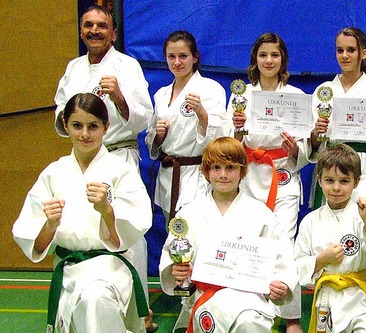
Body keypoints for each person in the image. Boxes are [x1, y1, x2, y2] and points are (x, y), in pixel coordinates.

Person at [52, 5, 156, 330]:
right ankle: (79, 303)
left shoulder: (128, 66)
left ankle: (138, 314)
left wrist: (120, 97)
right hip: (81, 159)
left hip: (118, 157)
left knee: (126, 231)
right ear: (82, 31)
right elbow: (59, 113)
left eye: (101, 26)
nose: (94, 30)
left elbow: (145, 117)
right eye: (88, 25)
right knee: (81, 227)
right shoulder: (73, 67)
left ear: (113, 33)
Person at [12, 93, 152, 333]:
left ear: (106, 127)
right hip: (69, 270)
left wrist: (107, 210)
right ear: (65, 125)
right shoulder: (53, 173)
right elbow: (34, 244)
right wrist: (49, 225)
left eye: (93, 126)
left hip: (110, 269)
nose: (85, 134)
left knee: (94, 299)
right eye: (77, 126)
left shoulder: (122, 171)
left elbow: (129, 233)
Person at [308, 27, 366, 330]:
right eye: (340, 50)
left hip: (362, 168)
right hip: (330, 167)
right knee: (330, 231)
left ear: (363, 53)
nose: (345, 56)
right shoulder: (324, 92)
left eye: (351, 50)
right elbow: (311, 144)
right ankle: (330, 297)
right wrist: (315, 133)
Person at [158, 137, 297, 333]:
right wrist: (176, 270)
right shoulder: (189, 213)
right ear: (206, 171)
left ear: (243, 170)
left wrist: (281, 282)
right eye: (216, 168)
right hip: (205, 296)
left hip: (248, 298)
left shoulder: (261, 214)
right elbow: (173, 253)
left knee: (249, 321)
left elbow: (282, 255)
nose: (223, 175)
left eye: (230, 168)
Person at [229, 32, 308, 333]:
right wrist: (237, 131)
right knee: (250, 241)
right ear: (255, 59)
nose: (269, 60)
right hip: (249, 175)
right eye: (263, 55)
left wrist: (294, 149)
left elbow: (305, 151)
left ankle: (290, 316)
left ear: (282, 59)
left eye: (274, 55)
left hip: (282, 175)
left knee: (284, 243)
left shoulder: (298, 98)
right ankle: (253, 308)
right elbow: (230, 142)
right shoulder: (241, 97)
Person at [295, 144, 366, 333]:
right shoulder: (310, 221)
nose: (336, 188)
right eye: (329, 180)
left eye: (344, 181)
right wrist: (321, 260)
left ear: (356, 182)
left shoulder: (364, 216)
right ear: (319, 180)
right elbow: (298, 265)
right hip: (326, 300)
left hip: (359, 298)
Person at [146, 30, 229, 221]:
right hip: (169, 174)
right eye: (171, 56)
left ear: (195, 57)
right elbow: (152, 141)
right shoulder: (161, 94)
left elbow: (221, 136)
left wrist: (201, 113)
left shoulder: (210, 89)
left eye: (183, 56)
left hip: (196, 174)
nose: (177, 62)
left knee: (196, 232)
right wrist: (159, 135)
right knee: (173, 233)